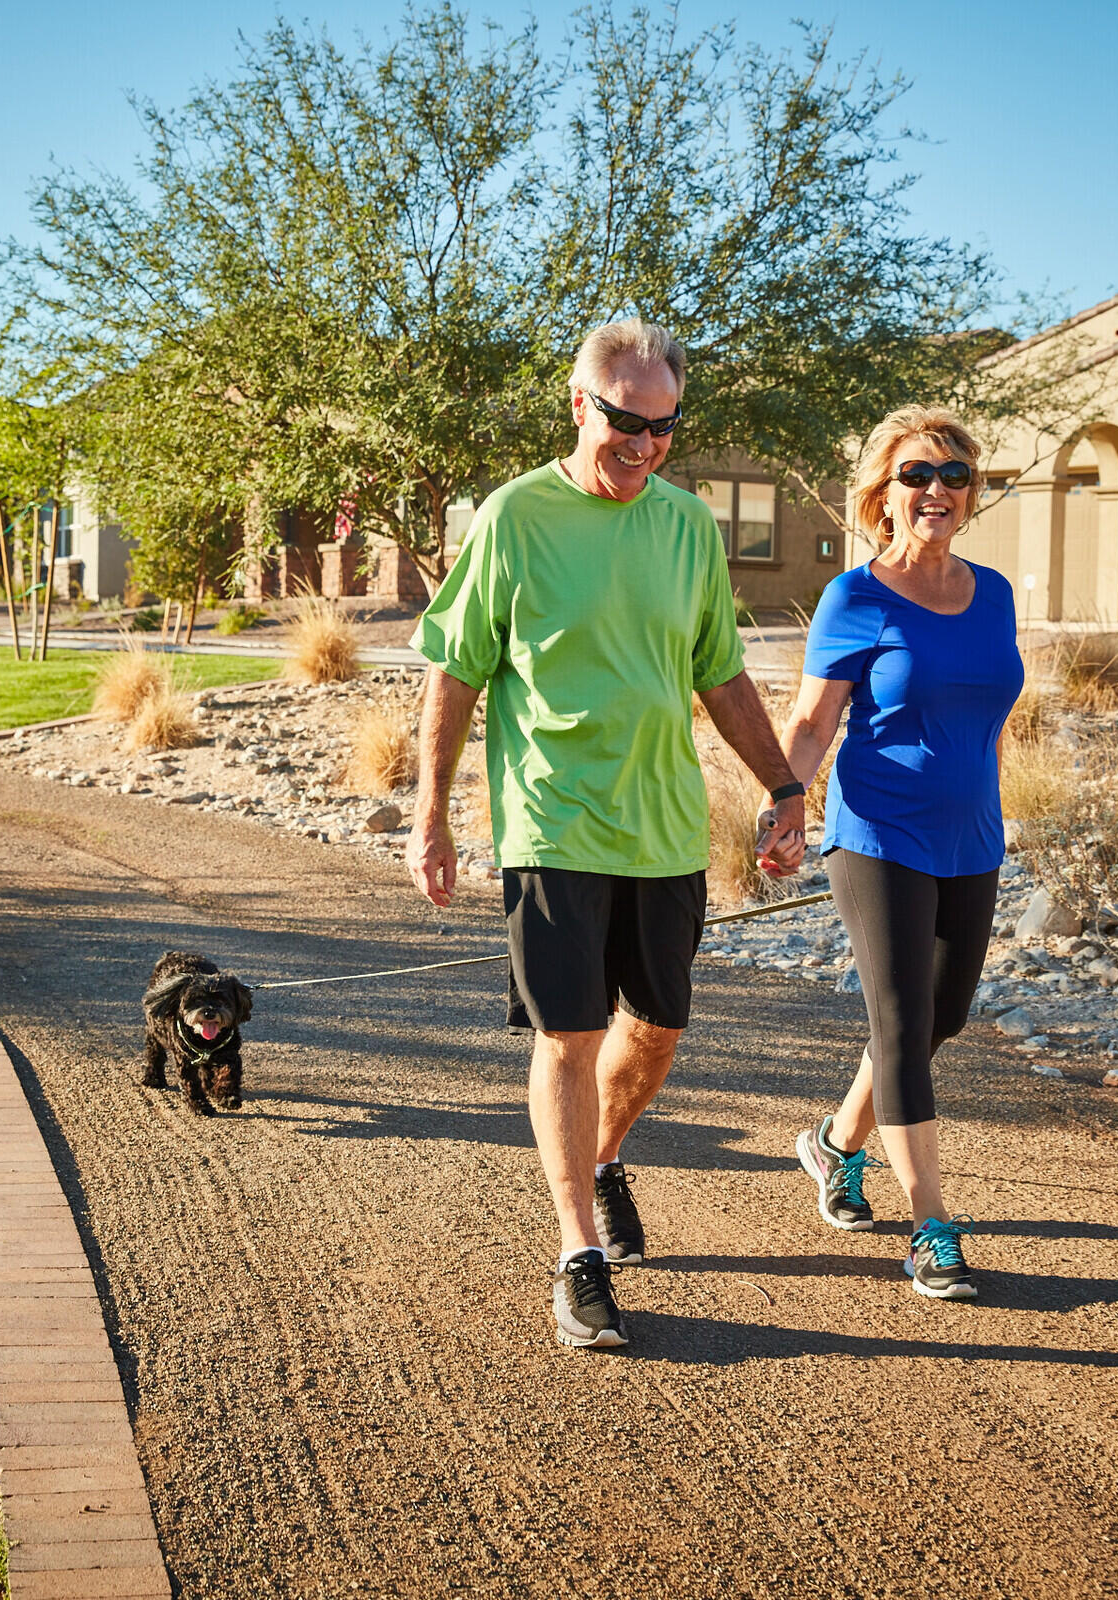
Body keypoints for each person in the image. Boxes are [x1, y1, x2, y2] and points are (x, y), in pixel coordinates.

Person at [407, 318, 806, 1350]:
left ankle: (602, 1153)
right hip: (553, 818)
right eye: (628, 422)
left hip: (664, 825)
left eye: (664, 427)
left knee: (658, 1027)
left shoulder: (687, 525)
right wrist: (430, 812)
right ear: (581, 405)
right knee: (569, 1035)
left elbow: (719, 672)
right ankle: (578, 1251)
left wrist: (783, 784)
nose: (645, 445)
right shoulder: (514, 517)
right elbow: (455, 669)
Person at [776, 404, 1022, 1300]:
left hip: (972, 835)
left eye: (954, 475)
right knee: (902, 1022)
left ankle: (835, 1143)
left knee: (941, 1016)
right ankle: (931, 1229)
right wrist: (782, 803)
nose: (935, 490)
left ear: (971, 493)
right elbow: (813, 723)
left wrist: (991, 803)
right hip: (878, 831)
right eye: (916, 475)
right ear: (882, 494)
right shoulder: (857, 597)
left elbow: (990, 714)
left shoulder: (993, 593)